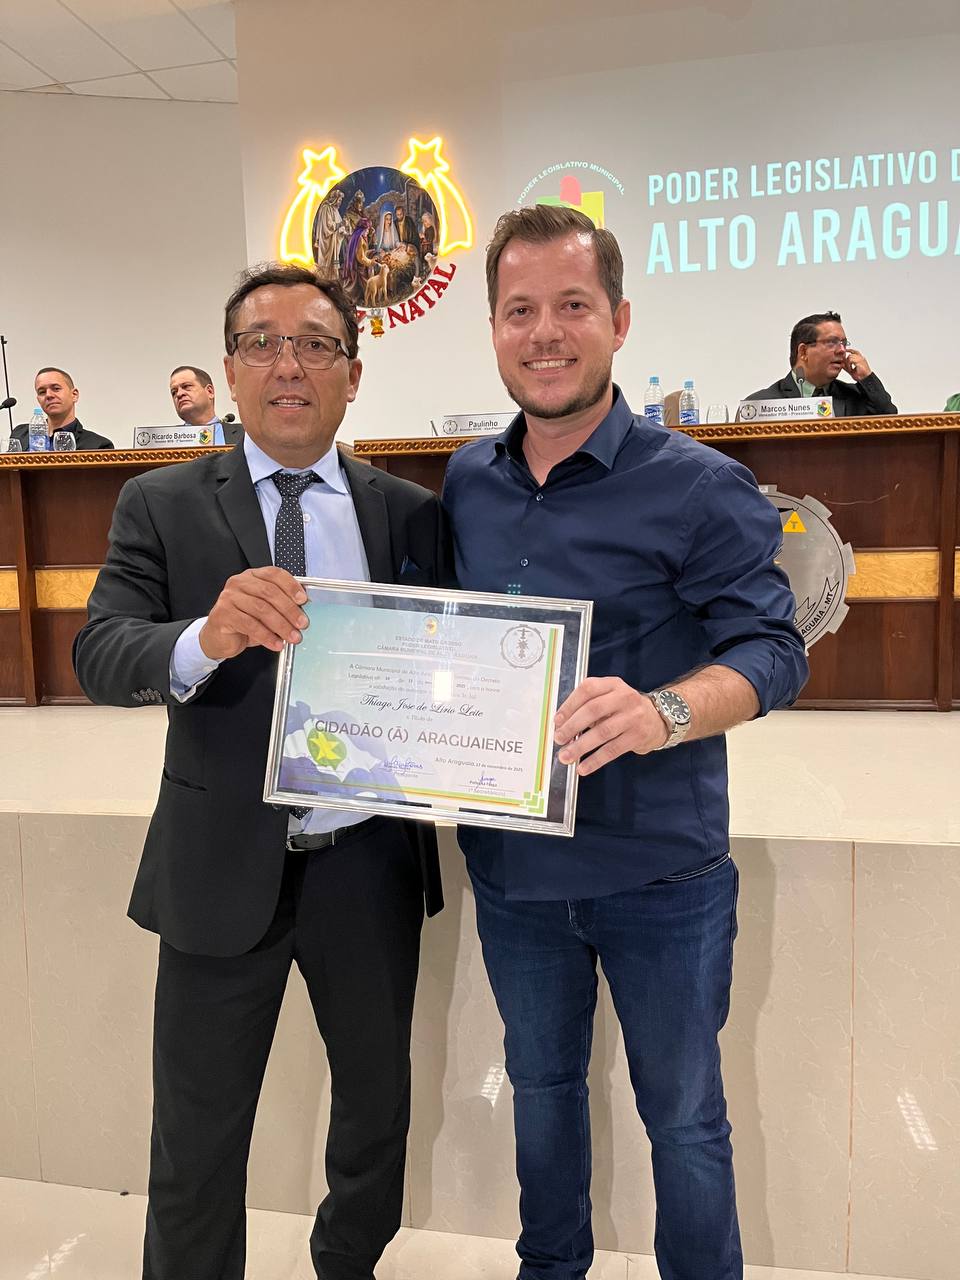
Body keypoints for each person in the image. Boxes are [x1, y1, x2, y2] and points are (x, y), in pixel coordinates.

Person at [441, 205, 809, 1280]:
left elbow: (773, 650)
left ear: (619, 319)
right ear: (493, 327)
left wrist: (664, 713)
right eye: (519, 310)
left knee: (685, 1119)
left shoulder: (698, 484)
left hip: (661, 871)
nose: (544, 333)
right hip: (515, 869)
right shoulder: (466, 480)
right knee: (541, 1094)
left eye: (572, 305)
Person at [73, 262, 450, 1280]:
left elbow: (446, 670)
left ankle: (346, 1264)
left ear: (353, 375)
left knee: (375, 1112)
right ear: (231, 371)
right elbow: (99, 652)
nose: (290, 365)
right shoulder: (159, 501)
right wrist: (202, 637)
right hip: (217, 859)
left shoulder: (409, 512)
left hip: (366, 860)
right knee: (195, 1134)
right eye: (263, 344)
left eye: (317, 345)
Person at [745, 311, 897, 416]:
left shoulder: (857, 398)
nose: (842, 350)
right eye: (832, 342)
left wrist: (867, 378)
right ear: (803, 351)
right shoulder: (760, 405)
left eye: (844, 343)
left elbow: (890, 422)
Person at [11, 367, 113, 450]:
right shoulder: (21, 434)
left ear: (74, 395)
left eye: (56, 389)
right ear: (38, 399)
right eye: (42, 392)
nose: (48, 395)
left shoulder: (97, 445)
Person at [169, 364, 242, 444]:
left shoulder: (245, 435)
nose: (179, 394)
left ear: (210, 391)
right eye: (174, 392)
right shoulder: (167, 439)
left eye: (186, 386)